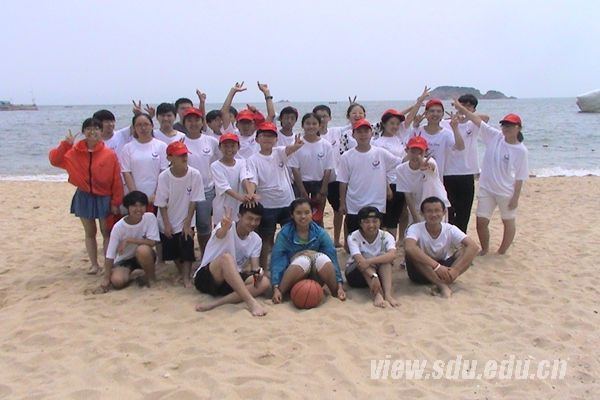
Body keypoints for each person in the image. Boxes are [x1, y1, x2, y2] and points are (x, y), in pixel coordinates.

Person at [452, 102, 529, 255]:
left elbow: (520, 176)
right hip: (487, 189)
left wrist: (515, 198)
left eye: (510, 126)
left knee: (508, 221)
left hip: (506, 191)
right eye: (504, 125)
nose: (506, 128)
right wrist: (461, 108)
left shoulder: (521, 150)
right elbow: (476, 120)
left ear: (518, 128)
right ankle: (485, 249)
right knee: (481, 222)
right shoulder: (495, 136)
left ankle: (502, 251)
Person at [49, 118, 123, 274]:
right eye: (88, 128)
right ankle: (94, 264)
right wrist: (66, 144)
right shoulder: (74, 152)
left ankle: (108, 264)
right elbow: (55, 160)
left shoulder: (109, 154)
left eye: (96, 128)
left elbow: (116, 179)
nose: (92, 131)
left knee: (106, 231)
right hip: (84, 195)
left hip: (104, 196)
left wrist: (116, 201)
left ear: (101, 132)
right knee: (90, 232)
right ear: (83, 132)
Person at [193, 203, 269, 316]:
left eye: (257, 220)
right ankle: (251, 302)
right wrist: (224, 227)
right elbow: (220, 234)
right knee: (226, 258)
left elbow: (255, 267)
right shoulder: (227, 226)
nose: (253, 223)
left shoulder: (256, 239)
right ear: (239, 216)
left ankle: (216, 303)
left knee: (264, 282)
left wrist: (258, 273)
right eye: (250, 218)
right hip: (207, 276)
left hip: (231, 279)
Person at [246, 121, 304, 268]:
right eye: (264, 135)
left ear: (276, 139)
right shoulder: (253, 159)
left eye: (271, 136)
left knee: (290, 235)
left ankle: (293, 265)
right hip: (267, 205)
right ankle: (263, 268)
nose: (267, 138)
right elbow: (252, 180)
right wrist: (251, 193)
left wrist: (296, 146)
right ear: (257, 139)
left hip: (286, 202)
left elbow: (289, 149)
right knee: (266, 238)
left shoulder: (279, 152)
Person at [270, 198, 346, 303]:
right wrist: (276, 287)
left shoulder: (320, 233)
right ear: (292, 215)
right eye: (298, 213)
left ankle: (335, 291)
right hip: (293, 274)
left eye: (307, 212)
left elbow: (332, 258)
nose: (303, 216)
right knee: (303, 261)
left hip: (316, 277)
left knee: (323, 259)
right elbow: (277, 261)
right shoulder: (284, 234)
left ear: (312, 213)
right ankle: (281, 293)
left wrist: (340, 285)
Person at [404, 196, 479, 298]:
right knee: (412, 253)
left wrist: (456, 270)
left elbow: (473, 247)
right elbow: (409, 247)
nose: (434, 214)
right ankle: (442, 285)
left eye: (437, 211)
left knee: (466, 251)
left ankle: (446, 280)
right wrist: (436, 266)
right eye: (429, 211)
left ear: (444, 212)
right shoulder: (415, 228)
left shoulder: (450, 229)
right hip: (421, 271)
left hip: (444, 270)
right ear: (422, 213)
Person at [337, 118, 400, 238]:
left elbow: (399, 163)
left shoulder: (381, 153)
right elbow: (343, 182)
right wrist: (342, 203)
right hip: (354, 205)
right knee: (353, 238)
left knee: (375, 238)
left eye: (366, 131)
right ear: (353, 135)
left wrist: (417, 156)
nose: (363, 135)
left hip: (377, 204)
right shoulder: (347, 156)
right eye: (359, 132)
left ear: (371, 134)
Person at [154, 141, 205, 287]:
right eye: (179, 155)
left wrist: (188, 222)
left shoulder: (194, 174)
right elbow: (162, 203)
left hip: (186, 216)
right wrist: (167, 224)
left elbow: (194, 201)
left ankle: (186, 277)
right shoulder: (164, 176)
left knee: (187, 246)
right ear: (170, 158)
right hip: (167, 217)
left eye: (185, 154)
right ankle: (182, 272)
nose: (184, 157)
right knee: (172, 250)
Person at [441, 94, 489, 233]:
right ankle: (450, 238)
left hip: (467, 173)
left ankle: (461, 239)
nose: (465, 108)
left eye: (469, 106)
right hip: (448, 172)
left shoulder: (473, 124)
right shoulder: (446, 124)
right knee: (450, 211)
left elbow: (486, 118)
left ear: (474, 109)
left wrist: (464, 113)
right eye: (463, 105)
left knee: (464, 212)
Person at [180, 107, 221, 255]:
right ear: (184, 123)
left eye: (197, 120)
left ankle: (205, 255)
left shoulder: (211, 141)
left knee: (204, 225)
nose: (193, 123)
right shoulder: (180, 141)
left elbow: (220, 162)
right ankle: (187, 255)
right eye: (189, 120)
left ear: (202, 122)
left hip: (207, 190)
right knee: (186, 224)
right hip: (185, 192)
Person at [100, 191, 160, 291]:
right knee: (117, 282)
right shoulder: (119, 227)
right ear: (127, 207)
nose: (138, 209)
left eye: (142, 206)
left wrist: (129, 240)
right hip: (124, 259)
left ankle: (151, 278)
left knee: (143, 250)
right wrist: (106, 278)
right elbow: (110, 254)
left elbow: (153, 242)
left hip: (144, 255)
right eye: (134, 206)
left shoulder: (150, 217)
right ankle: (133, 278)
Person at [345, 207, 398, 307]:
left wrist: (369, 262)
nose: (371, 225)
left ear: (380, 222)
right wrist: (373, 275)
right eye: (366, 222)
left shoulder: (386, 236)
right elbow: (359, 260)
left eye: (375, 221)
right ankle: (377, 295)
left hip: (379, 273)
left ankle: (387, 294)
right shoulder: (353, 236)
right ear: (360, 223)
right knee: (364, 256)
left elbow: (392, 255)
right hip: (356, 274)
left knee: (384, 258)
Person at [289, 113, 335, 226]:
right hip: (300, 183)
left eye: (314, 123)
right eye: (308, 123)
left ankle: (318, 236)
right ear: (302, 125)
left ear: (319, 126)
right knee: (300, 216)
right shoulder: (297, 144)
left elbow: (328, 169)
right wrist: (303, 191)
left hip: (319, 184)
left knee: (317, 217)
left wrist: (323, 189)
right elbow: (295, 169)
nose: (311, 126)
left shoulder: (326, 145)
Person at [395, 135, 450, 224]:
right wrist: (415, 217)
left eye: (420, 152)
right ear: (406, 150)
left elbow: (432, 167)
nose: (416, 156)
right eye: (413, 152)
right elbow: (408, 196)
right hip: (418, 208)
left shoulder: (430, 162)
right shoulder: (400, 170)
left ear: (426, 152)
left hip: (437, 205)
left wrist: (427, 166)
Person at [119, 114, 169, 212]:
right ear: (134, 128)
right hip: (135, 196)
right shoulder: (127, 148)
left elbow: (164, 172)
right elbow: (126, 172)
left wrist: (156, 194)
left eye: (146, 124)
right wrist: (136, 196)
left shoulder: (161, 146)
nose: (143, 128)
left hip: (156, 194)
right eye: (139, 125)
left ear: (152, 126)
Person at [371, 109, 408, 240]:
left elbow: (403, 161)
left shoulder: (399, 139)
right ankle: (382, 243)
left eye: (397, 124)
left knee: (397, 215)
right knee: (385, 216)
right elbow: (379, 168)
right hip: (387, 183)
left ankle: (394, 243)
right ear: (384, 124)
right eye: (392, 123)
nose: (395, 126)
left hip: (401, 182)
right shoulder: (378, 143)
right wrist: (386, 186)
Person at [313, 104, 345, 246]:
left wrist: (352, 108)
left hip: (334, 178)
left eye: (325, 116)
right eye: (319, 116)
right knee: (317, 211)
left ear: (330, 118)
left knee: (338, 210)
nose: (322, 119)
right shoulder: (310, 135)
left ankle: (336, 240)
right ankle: (320, 239)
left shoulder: (336, 131)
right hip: (316, 179)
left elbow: (354, 124)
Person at [409, 99, 464, 179]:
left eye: (438, 111)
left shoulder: (446, 134)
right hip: (416, 177)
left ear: (442, 114)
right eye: (432, 111)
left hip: (436, 178)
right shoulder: (416, 131)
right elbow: (408, 152)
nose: (435, 114)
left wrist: (455, 128)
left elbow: (460, 147)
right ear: (426, 113)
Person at [211, 133, 257, 223]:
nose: (229, 149)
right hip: (222, 208)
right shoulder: (215, 166)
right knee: (222, 230)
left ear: (238, 147)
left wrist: (250, 194)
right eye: (226, 146)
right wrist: (241, 197)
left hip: (238, 208)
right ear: (220, 147)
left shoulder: (242, 162)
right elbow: (225, 187)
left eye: (232, 146)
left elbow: (244, 178)